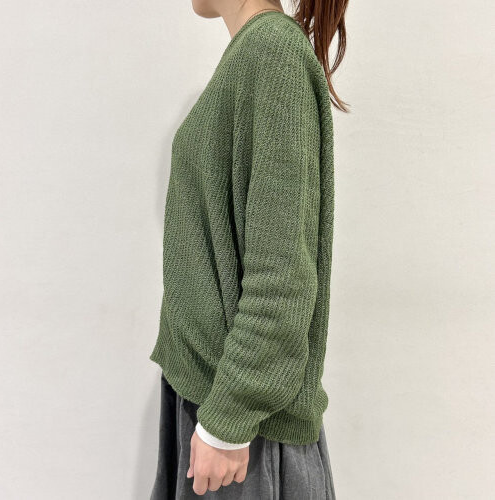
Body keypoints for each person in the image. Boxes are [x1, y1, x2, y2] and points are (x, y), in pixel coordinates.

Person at [149, 0, 349, 497]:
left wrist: (228, 419)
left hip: (241, 430)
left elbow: (282, 278)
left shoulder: (273, 53)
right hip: (217, 405)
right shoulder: (253, 54)